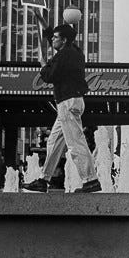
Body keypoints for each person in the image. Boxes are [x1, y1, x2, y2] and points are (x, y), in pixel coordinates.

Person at [23, 24, 100, 193]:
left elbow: (50, 76)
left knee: (75, 143)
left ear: (64, 40)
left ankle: (91, 180)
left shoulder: (64, 55)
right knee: (53, 141)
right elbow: (59, 41)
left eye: (55, 38)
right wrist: (46, 26)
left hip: (67, 102)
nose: (52, 40)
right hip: (73, 101)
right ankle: (44, 180)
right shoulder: (75, 52)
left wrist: (43, 65)